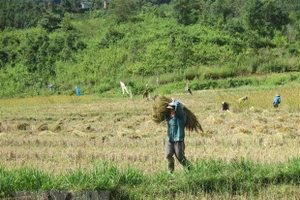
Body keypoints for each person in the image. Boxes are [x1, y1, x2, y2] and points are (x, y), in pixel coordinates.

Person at [165, 99, 189, 173]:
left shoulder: (181, 117)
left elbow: (178, 105)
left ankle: (189, 169)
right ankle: (170, 172)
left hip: (178, 140)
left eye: (172, 108)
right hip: (170, 139)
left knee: (180, 157)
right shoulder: (169, 117)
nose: (171, 110)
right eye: (170, 109)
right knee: (168, 155)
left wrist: (174, 100)